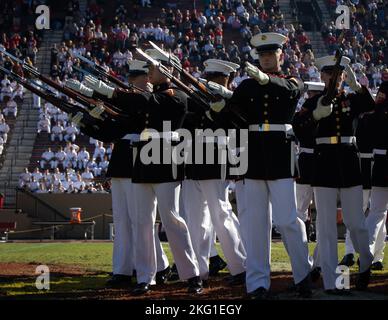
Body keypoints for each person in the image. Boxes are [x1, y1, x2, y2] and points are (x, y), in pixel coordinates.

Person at [210, 32, 313, 299]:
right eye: (263, 55)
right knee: (255, 223)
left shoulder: (291, 81)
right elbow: (233, 118)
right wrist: (219, 106)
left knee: (288, 220)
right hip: (254, 156)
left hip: (280, 154)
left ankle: (303, 275)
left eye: (271, 54)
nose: (266, 59)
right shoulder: (246, 87)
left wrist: (266, 80)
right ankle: (257, 283)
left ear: (280, 55)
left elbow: (291, 92)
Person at [298, 54, 375, 293]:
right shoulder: (314, 102)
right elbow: (299, 127)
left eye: (340, 74)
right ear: (322, 75)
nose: (336, 78)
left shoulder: (352, 99)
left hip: (349, 162)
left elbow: (371, 107)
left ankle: (365, 264)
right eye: (331, 74)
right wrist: (314, 116)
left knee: (356, 223)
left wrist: (357, 86)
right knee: (326, 226)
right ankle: (331, 281)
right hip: (324, 164)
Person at [181, 58, 246, 284]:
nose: (211, 83)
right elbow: (185, 124)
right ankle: (200, 271)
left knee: (220, 213)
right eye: (209, 79)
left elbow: (237, 127)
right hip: (193, 160)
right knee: (195, 219)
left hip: (215, 158)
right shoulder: (196, 99)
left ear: (225, 81)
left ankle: (240, 267)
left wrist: (219, 113)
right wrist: (208, 114)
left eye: (216, 80)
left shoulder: (231, 102)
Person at [364, 81, 388, 271]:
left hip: (380, 163)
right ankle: (372, 254)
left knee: (377, 213)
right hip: (380, 161)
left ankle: (369, 253)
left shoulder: (373, 115)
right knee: (378, 213)